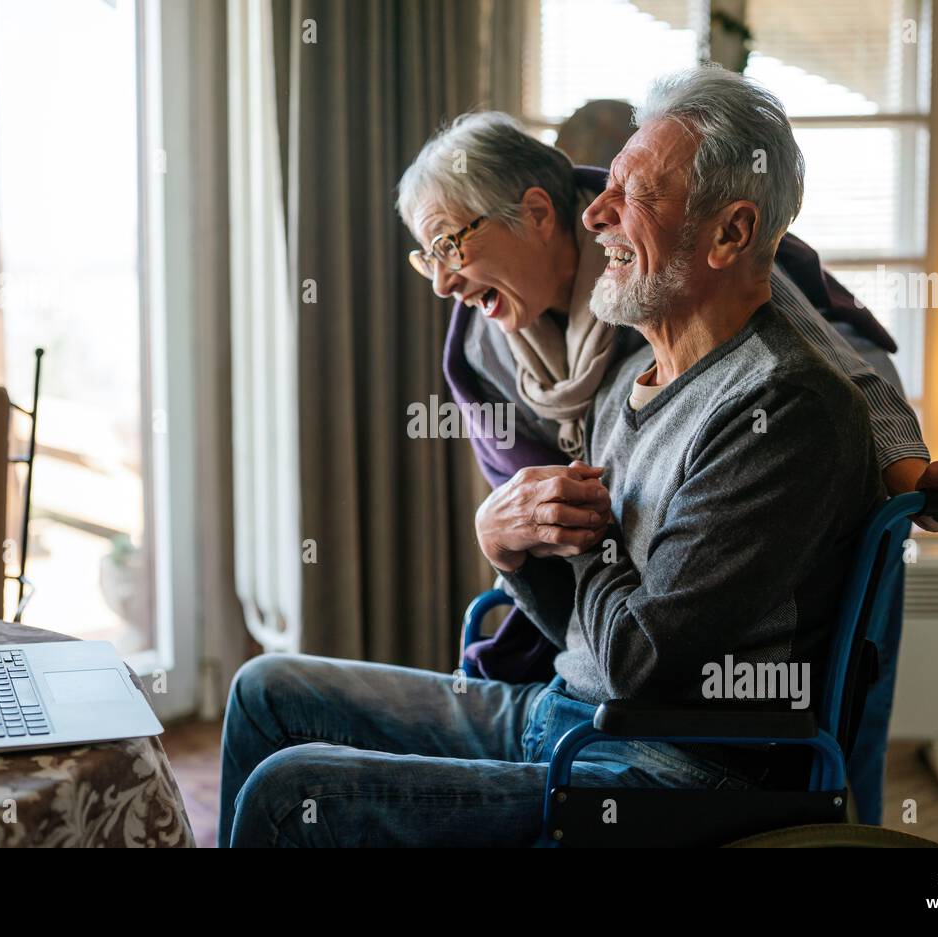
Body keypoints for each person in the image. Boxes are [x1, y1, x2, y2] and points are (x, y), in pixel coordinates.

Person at [222, 68, 889, 847]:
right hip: (567, 714)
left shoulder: (783, 408)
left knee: (289, 792)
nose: (596, 211)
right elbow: (589, 631)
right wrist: (512, 549)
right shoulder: (629, 380)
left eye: (633, 196)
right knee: (265, 688)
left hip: (668, 769)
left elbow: (642, 662)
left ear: (730, 234)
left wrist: (590, 540)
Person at [393, 105, 938, 824]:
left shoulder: (669, 264)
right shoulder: (480, 346)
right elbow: (533, 511)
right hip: (615, 608)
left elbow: (841, 371)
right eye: (426, 256)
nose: (441, 281)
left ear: (538, 212)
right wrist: (517, 529)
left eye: (448, 245)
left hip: (736, 547)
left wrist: (910, 475)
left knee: (839, 721)